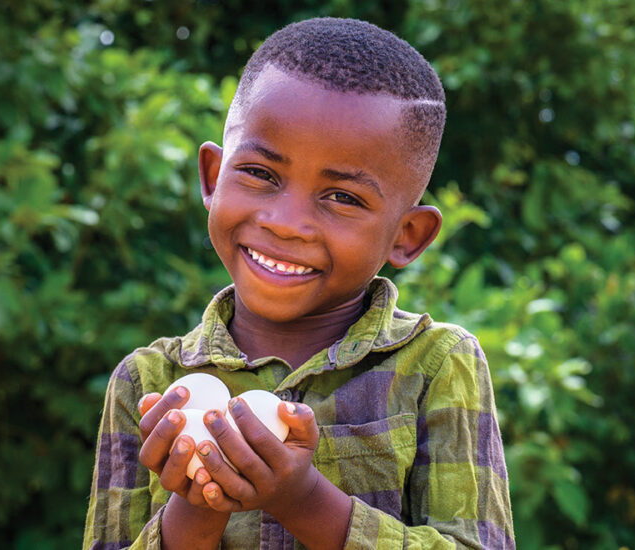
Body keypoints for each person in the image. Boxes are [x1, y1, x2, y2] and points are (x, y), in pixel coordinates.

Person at [81, 17, 513, 550]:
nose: (285, 222)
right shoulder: (147, 384)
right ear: (214, 178)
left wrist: (303, 499)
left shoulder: (437, 366)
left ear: (408, 235)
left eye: (343, 197)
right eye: (261, 173)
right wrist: (197, 505)